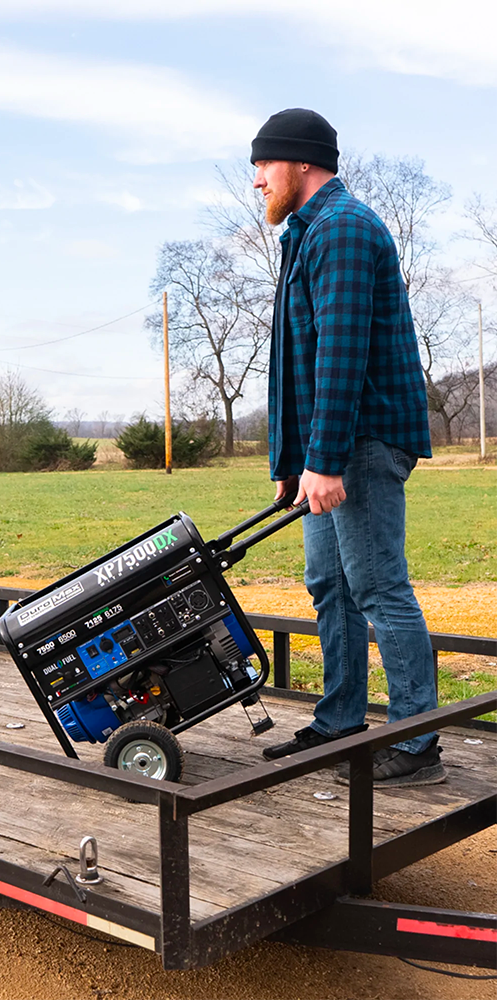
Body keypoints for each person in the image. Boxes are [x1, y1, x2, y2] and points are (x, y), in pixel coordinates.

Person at [251, 108, 445, 786]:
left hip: (359, 443)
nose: (256, 181)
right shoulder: (309, 234)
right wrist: (291, 463)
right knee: (329, 583)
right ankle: (339, 722)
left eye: (263, 165)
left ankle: (418, 743)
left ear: (301, 162)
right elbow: (293, 363)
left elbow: (339, 356)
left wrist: (324, 459)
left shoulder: (344, 230)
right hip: (331, 449)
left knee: (376, 584)